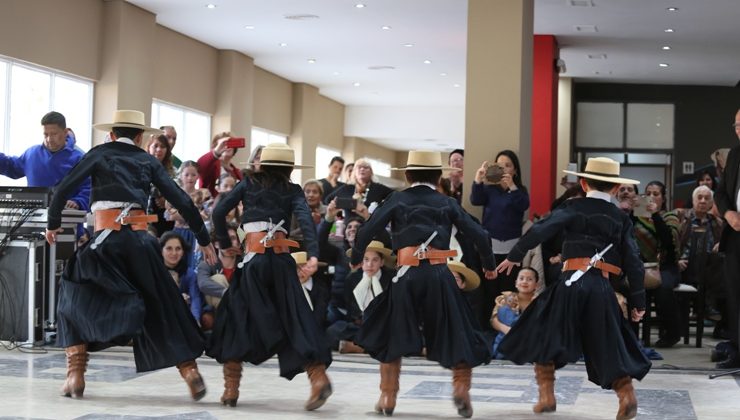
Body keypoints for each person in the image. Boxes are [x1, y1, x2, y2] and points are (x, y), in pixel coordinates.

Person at [44, 110, 217, 401]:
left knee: (71, 297)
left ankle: (75, 375)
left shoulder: (99, 154)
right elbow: (182, 200)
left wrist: (52, 224)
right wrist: (203, 237)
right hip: (140, 242)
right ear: (139, 138)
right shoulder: (147, 160)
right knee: (163, 303)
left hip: (104, 243)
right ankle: (190, 371)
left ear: (111, 134)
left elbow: (62, 189)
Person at [496, 157, 650, 420]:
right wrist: (638, 303)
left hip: (570, 284)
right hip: (601, 288)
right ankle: (627, 396)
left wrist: (514, 255)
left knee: (542, 335)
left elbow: (542, 229)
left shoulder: (573, 206)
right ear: (615, 188)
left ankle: (546, 396)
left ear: (582, 182)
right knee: (607, 345)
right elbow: (635, 263)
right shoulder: (621, 218)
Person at [350, 150, 496, 418]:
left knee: (390, 331)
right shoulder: (447, 202)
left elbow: (366, 230)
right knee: (458, 330)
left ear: (407, 175)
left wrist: (356, 258)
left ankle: (388, 395)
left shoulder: (396, 199)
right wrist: (488, 265)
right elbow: (480, 234)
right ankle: (461, 389)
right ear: (438, 176)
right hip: (440, 274)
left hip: (406, 275)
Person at [207, 143, 332, 410]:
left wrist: (223, 242)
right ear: (289, 169)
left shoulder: (248, 183)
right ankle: (318, 378)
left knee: (234, 317)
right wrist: (312, 254)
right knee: (296, 317)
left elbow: (218, 212)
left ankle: (231, 389)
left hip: (252, 262)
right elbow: (306, 221)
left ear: (261, 165)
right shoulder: (293, 190)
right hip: (281, 263)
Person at [470, 150, 530, 329]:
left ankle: (506, 325)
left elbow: (523, 205)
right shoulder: (489, 190)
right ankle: (487, 327)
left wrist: (512, 186)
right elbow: (475, 200)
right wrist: (478, 178)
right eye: (500, 165)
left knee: (508, 290)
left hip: (511, 250)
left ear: (515, 170)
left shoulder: (519, 191)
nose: (503, 169)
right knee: (489, 290)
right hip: (490, 248)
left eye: (508, 165)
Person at [0, 111, 90, 211]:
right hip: (32, 219)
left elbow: (89, 188)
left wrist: (78, 201)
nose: (49, 139)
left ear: (65, 133)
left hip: (66, 218)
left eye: (54, 134)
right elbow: (12, 167)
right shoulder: (32, 154)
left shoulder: (80, 158)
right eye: (45, 134)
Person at [330, 240, 395, 354]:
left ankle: (360, 347)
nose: (370, 264)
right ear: (361, 261)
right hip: (360, 326)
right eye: (366, 259)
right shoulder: (352, 279)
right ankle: (374, 347)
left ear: (382, 262)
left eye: (375, 260)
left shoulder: (390, 279)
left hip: (383, 326)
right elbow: (350, 308)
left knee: (400, 334)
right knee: (333, 331)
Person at [714, 108, 740, 369]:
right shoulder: (734, 155)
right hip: (736, 233)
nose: (738, 129)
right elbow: (721, 193)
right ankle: (738, 349)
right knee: (735, 294)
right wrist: (728, 212)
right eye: (736, 125)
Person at [490, 267, 538, 359]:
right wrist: (507, 329)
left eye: (529, 279)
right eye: (521, 278)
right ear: (516, 283)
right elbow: (493, 319)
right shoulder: (504, 298)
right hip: (505, 344)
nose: (524, 281)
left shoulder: (541, 302)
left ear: (536, 285)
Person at [324, 158, 394, 218]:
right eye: (359, 167)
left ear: (371, 172)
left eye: (366, 167)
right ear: (354, 173)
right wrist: (339, 214)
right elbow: (328, 200)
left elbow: (397, 197)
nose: (362, 169)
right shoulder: (347, 188)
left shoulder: (378, 188)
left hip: (370, 226)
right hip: (349, 228)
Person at [161, 231, 203, 325]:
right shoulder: (155, 271)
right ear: (161, 250)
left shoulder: (189, 273)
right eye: (169, 248)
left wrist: (195, 320)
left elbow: (195, 297)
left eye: (178, 249)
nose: (174, 253)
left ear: (183, 251)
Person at [197, 132, 244, 198]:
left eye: (230, 143)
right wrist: (216, 152)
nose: (227, 147)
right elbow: (200, 165)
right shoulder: (211, 167)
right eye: (223, 144)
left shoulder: (237, 172)